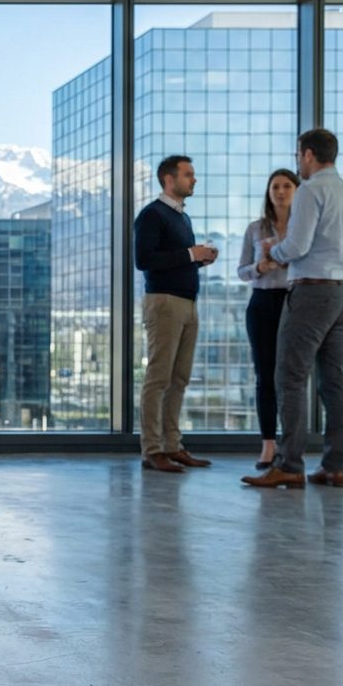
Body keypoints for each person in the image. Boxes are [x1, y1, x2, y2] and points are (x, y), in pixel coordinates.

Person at [243, 129, 343, 490]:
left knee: (290, 377)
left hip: (312, 293)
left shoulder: (312, 190)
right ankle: (334, 466)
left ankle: (289, 464)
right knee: (334, 382)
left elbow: (296, 246)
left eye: (299, 155)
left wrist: (272, 252)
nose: (298, 162)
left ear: (309, 154)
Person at [134, 155, 218, 473]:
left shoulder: (182, 218)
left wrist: (197, 259)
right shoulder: (152, 215)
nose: (194, 180)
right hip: (165, 304)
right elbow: (144, 259)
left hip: (187, 304)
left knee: (179, 378)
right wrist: (189, 254)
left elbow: (174, 258)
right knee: (158, 379)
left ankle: (172, 445)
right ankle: (152, 449)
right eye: (188, 175)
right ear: (169, 179)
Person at [236, 169, 299, 469]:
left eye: (287, 186)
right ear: (268, 192)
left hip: (294, 302)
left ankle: (291, 446)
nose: (281, 191)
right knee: (265, 375)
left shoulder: (304, 227)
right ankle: (268, 445)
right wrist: (260, 267)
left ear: (297, 191)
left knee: (290, 376)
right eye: (275, 186)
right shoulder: (255, 228)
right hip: (262, 303)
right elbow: (241, 271)